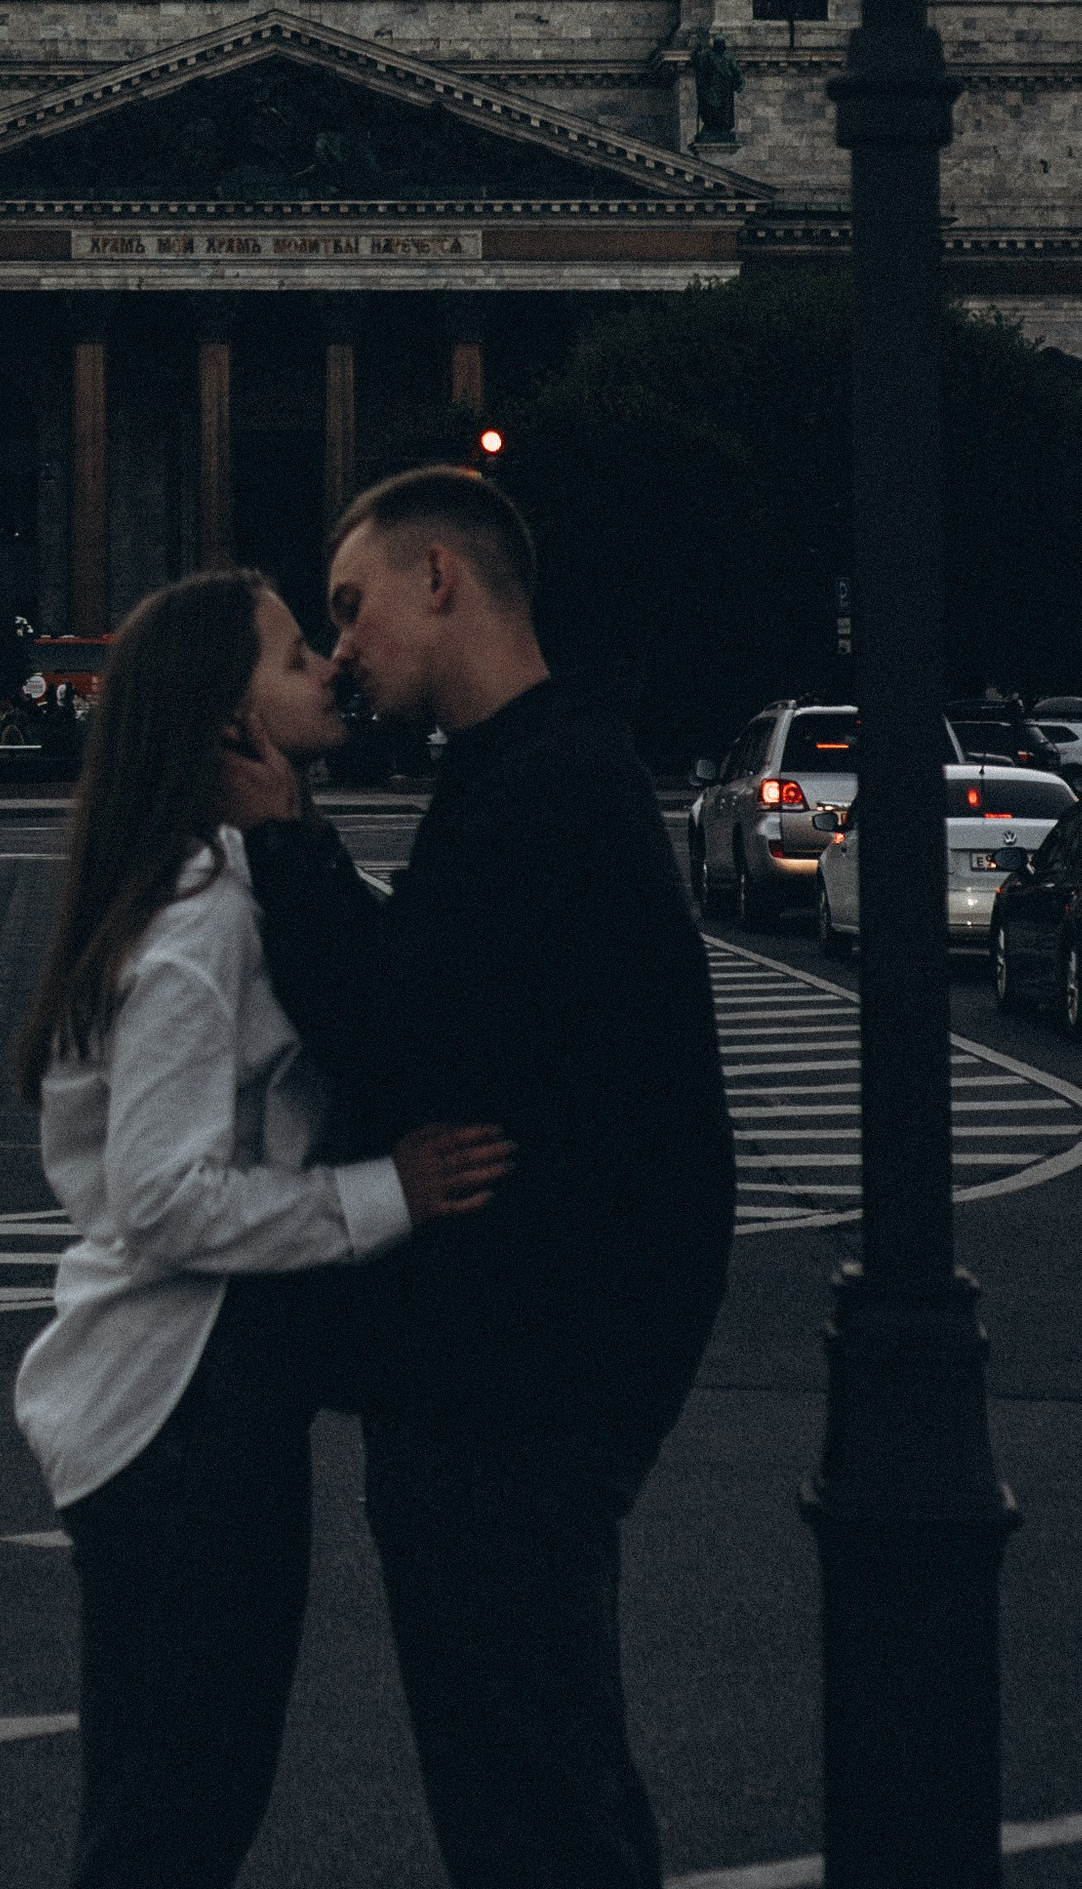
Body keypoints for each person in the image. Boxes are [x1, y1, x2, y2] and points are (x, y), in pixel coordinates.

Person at [235, 467, 735, 1889]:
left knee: (529, 1807)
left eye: (351, 607)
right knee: (548, 1782)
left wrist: (283, 837)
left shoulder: (547, 791)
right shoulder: (541, 770)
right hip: (534, 1383)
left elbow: (397, 1029)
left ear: (440, 579)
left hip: (513, 1396)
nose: (340, 652)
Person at [12, 567, 509, 1889]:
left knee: (175, 1804)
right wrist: (386, 1195)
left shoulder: (210, 883)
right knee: (178, 1815)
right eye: (296, 657)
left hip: (183, 1400)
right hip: (182, 1404)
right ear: (224, 722)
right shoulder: (208, 920)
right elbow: (166, 1196)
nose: (329, 670)